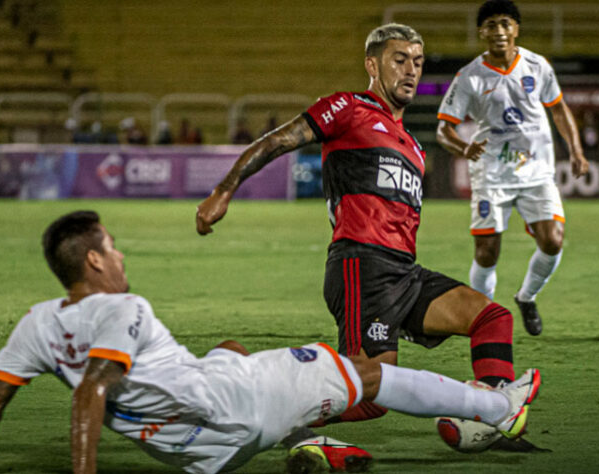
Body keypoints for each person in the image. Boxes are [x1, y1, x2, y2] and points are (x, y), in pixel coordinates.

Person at [0, 210, 541, 474]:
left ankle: (312, 445)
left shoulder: (35, 325)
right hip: (236, 405)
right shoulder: (124, 306)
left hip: (199, 454)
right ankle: (497, 409)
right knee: (368, 374)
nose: (122, 254)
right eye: (114, 245)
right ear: (95, 260)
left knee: (228, 348)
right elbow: (91, 395)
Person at [196, 23, 530, 464]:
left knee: (492, 317)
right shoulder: (347, 108)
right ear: (372, 65)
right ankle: (261, 410)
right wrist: (226, 188)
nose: (411, 70)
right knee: (370, 395)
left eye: (417, 62)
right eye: (399, 60)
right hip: (361, 266)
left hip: (404, 273)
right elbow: (279, 140)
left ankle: (493, 417)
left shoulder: (414, 146)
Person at [435, 0, 589, 336]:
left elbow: (559, 109)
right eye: (491, 25)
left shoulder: (537, 65)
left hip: (536, 171)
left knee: (553, 240)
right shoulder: (469, 77)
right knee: (487, 251)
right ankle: (483, 318)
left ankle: (527, 296)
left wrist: (575, 151)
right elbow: (442, 129)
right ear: (481, 32)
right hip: (492, 173)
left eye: (505, 23)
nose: (499, 31)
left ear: (516, 29)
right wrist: (463, 147)